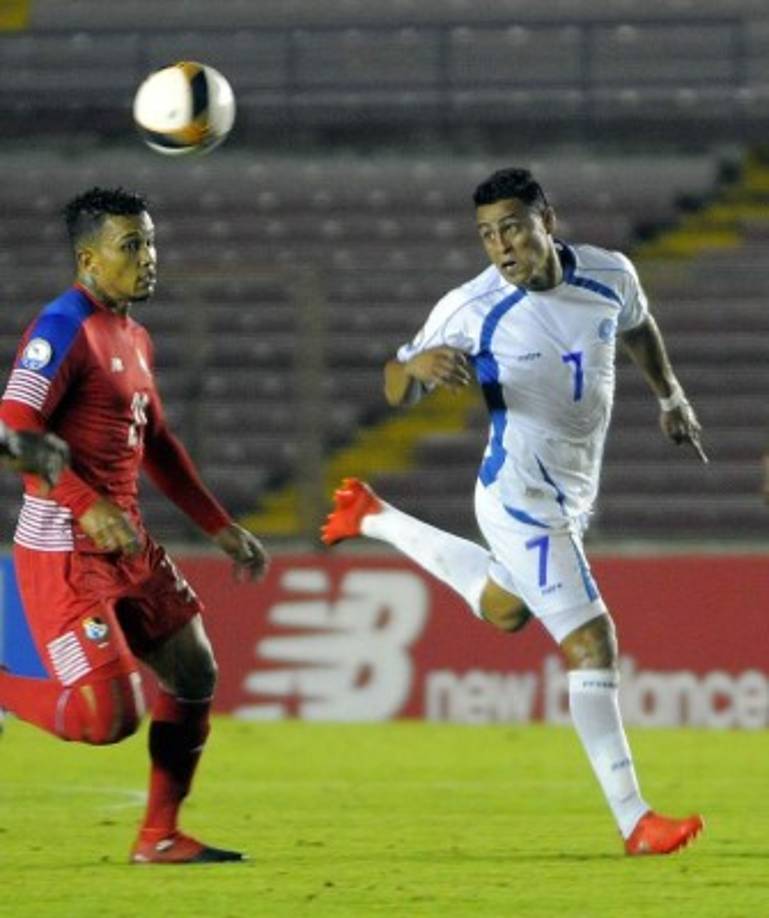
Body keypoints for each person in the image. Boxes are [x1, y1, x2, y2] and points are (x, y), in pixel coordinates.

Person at [322, 167, 705, 856]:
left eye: (511, 228)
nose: (500, 246)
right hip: (518, 495)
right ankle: (634, 820)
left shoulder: (608, 276)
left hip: (573, 489)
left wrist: (670, 397)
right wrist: (415, 372)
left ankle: (371, 516)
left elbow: (639, 329)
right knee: (591, 642)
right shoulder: (469, 307)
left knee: (505, 609)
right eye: (486, 235)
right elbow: (391, 383)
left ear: (545, 222)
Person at [0, 187, 269, 864]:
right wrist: (83, 501)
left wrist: (219, 527)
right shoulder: (63, 326)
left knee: (194, 670)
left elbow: (157, 443)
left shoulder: (133, 335)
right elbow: (14, 425)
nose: (148, 258)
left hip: (126, 540)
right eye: (131, 246)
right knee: (107, 719)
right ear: (88, 258)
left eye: (150, 242)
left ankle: (160, 835)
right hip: (65, 543)